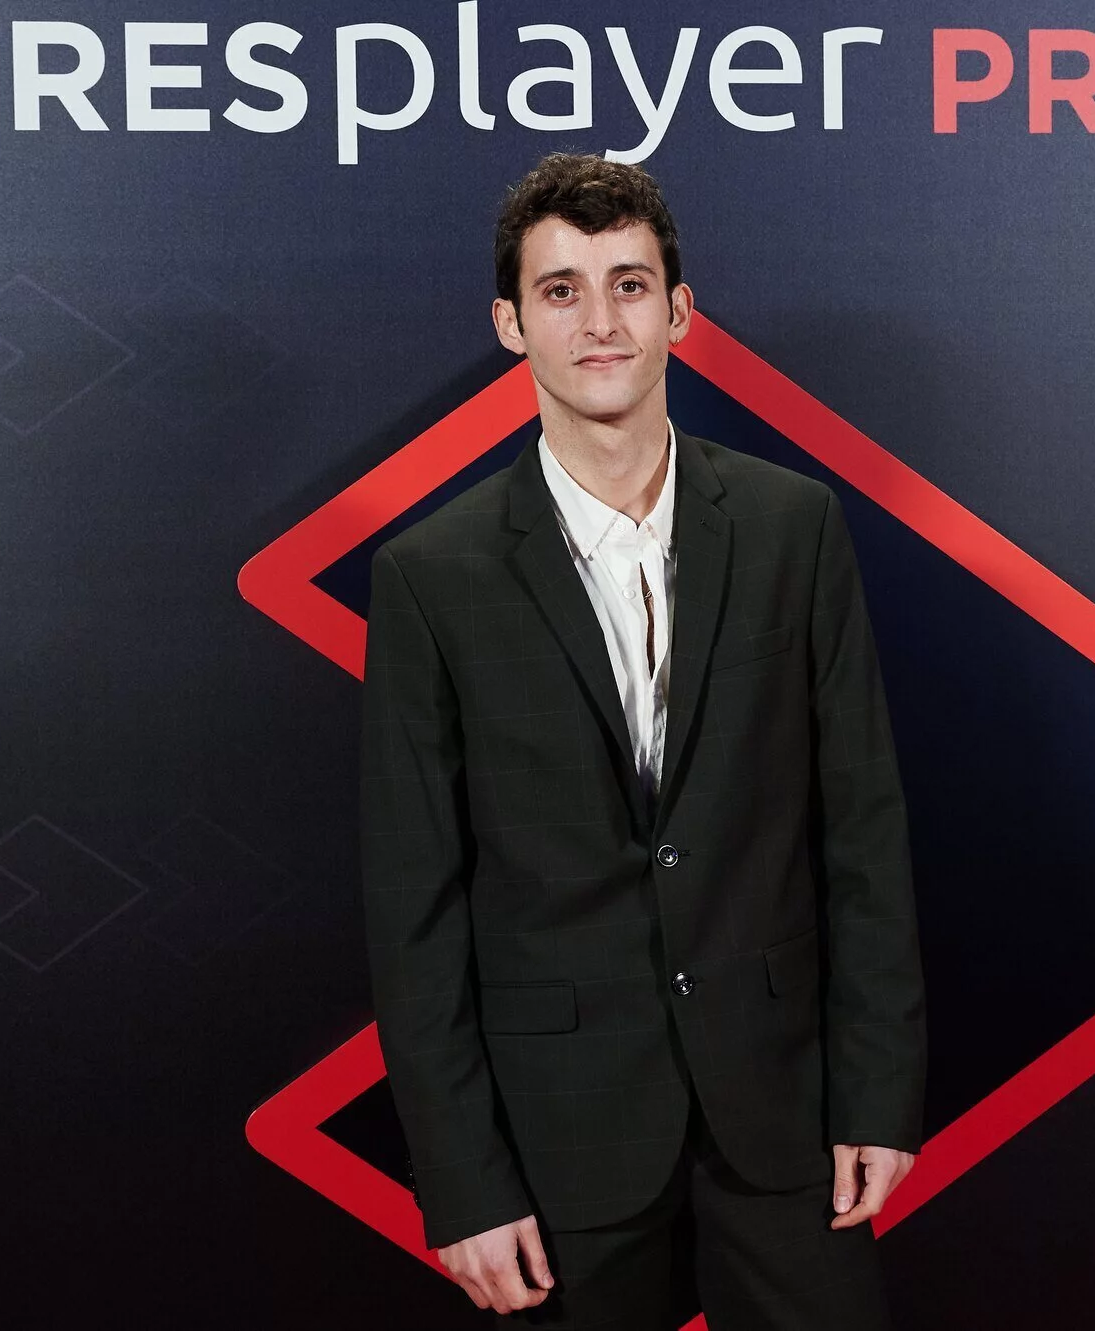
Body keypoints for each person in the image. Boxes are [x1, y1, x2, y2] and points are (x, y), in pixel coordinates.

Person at [359, 151, 927, 1330]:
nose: (599, 321)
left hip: (780, 1116)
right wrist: (460, 1177)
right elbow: (414, 906)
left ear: (677, 310)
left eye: (627, 283)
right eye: (560, 290)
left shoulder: (792, 526)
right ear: (510, 324)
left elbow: (861, 829)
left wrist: (876, 1090)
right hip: (557, 1136)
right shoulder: (429, 576)